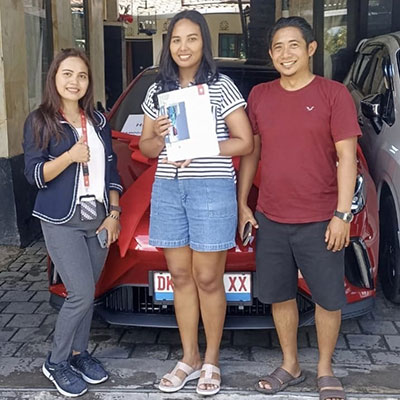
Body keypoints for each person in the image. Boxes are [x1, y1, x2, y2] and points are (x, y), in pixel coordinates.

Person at [238, 17, 361, 400]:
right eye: (278, 47)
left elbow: (347, 157)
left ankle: (325, 368)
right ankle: (290, 364)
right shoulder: (260, 95)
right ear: (270, 54)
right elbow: (252, 152)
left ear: (311, 49)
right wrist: (243, 203)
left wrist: (342, 214)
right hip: (272, 217)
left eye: (294, 45)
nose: (285, 53)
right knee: (280, 295)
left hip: (321, 219)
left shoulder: (333, 94)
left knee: (327, 298)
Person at [139, 10, 253, 396]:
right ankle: (189, 358)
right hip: (169, 190)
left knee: (207, 277)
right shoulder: (158, 90)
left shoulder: (221, 86)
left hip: (211, 188)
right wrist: (161, 138)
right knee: (180, 277)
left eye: (191, 38)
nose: (183, 47)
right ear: (167, 45)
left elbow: (244, 141)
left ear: (204, 42)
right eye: (176, 39)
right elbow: (146, 147)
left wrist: (202, 145)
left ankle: (212, 360)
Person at [23, 48, 123, 397]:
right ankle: (56, 361)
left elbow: (112, 170)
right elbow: (35, 175)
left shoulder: (98, 121)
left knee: (89, 291)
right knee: (79, 292)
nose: (74, 82)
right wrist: (69, 156)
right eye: (67, 74)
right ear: (54, 77)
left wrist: (114, 214)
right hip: (60, 219)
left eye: (81, 75)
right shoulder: (40, 121)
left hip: (98, 218)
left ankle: (80, 354)